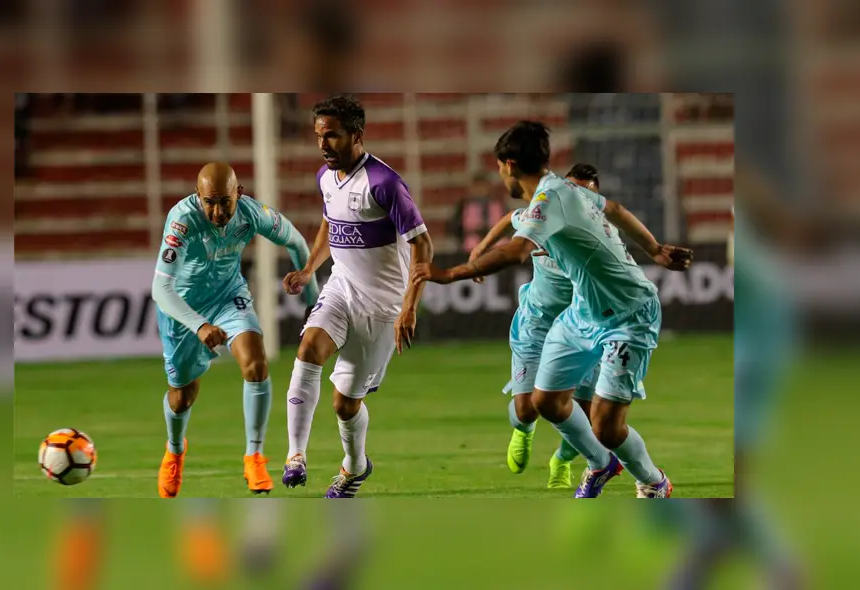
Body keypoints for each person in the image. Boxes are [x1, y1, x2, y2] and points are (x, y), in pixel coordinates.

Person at [413, 121, 692, 498]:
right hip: (581, 314)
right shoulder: (565, 190)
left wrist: (449, 274)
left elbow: (516, 252)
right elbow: (615, 208)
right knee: (545, 400)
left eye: (499, 168)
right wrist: (654, 248)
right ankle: (599, 465)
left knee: (607, 428)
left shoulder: (549, 199)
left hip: (629, 315)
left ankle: (654, 482)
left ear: (509, 164)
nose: (501, 176)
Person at [281, 95, 434, 498]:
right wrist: (310, 269)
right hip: (341, 288)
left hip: (382, 306)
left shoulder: (384, 184)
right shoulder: (325, 178)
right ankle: (295, 456)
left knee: (344, 405)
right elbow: (330, 226)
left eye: (332, 136)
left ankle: (356, 466)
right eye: (319, 136)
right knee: (308, 349)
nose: (323, 145)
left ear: (356, 135)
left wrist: (409, 306)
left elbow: (424, 246)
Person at [151, 162, 319, 497]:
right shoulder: (182, 220)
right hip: (184, 310)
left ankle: (254, 455)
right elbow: (161, 289)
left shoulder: (251, 213)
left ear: (237, 194)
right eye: (208, 202)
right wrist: (199, 326)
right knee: (183, 396)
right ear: (197, 197)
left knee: (256, 365)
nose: (216, 211)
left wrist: (313, 303)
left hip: (229, 298)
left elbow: (297, 242)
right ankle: (174, 450)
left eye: (224, 202)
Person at [468, 163, 613, 489]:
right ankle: (523, 428)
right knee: (528, 407)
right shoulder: (544, 216)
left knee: (585, 414)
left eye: (587, 194)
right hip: (538, 321)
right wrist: (480, 248)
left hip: (582, 328)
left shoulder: (603, 234)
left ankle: (561, 460)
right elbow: (510, 218)